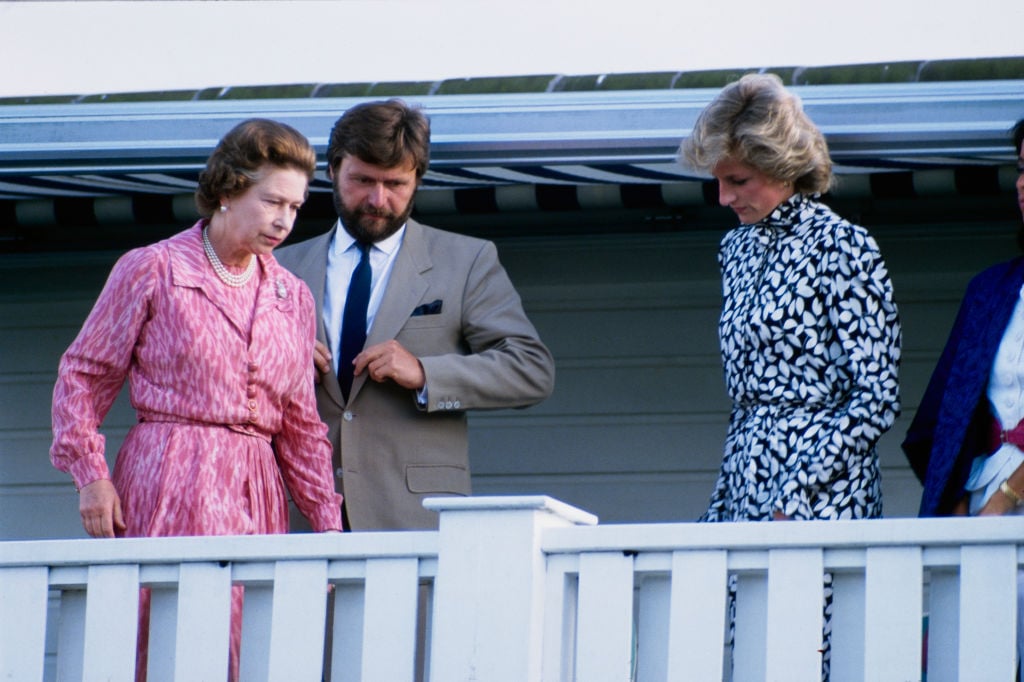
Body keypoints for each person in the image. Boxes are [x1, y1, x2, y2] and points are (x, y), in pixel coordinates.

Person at [50, 118, 343, 680]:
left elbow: (303, 428)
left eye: (296, 207)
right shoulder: (152, 268)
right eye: (272, 201)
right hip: (167, 479)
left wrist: (328, 528)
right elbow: (83, 376)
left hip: (255, 494)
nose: (284, 219)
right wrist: (91, 474)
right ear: (229, 191)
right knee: (157, 643)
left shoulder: (293, 297)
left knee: (242, 650)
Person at [678, 73, 902, 678]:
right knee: (746, 657)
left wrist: (796, 494)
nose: (724, 198)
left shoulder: (846, 247)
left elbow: (876, 397)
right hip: (745, 474)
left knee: (816, 657)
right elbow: (746, 398)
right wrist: (726, 497)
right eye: (718, 182)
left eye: (738, 181)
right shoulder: (736, 250)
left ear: (783, 166)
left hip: (825, 490)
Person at [276, 98, 555, 532]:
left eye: (395, 184)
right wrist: (276, 364)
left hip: (414, 519)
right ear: (331, 170)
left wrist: (426, 373)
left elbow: (531, 369)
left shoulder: (467, 260)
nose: (377, 199)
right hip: (294, 513)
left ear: (418, 180)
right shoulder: (276, 265)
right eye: (362, 180)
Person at [902, 118, 1024, 672]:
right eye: (1022, 170)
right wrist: (960, 510)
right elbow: (945, 418)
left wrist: (1007, 501)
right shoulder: (990, 289)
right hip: (977, 504)